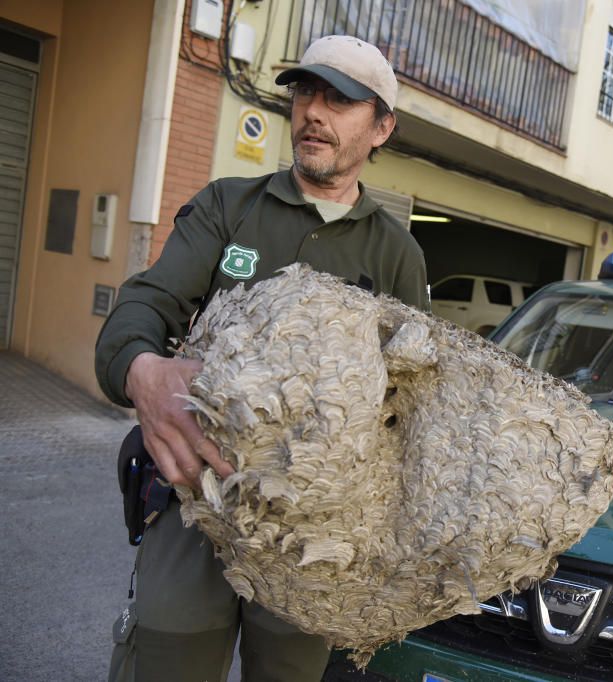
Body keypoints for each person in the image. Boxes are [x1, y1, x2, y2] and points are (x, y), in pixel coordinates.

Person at [95, 35, 429, 681]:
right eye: (306, 91)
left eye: (341, 100)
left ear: (381, 125)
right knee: (164, 654)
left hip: (311, 537)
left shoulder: (397, 256)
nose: (313, 112)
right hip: (198, 494)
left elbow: (407, 405)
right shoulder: (228, 206)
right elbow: (145, 305)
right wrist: (143, 369)